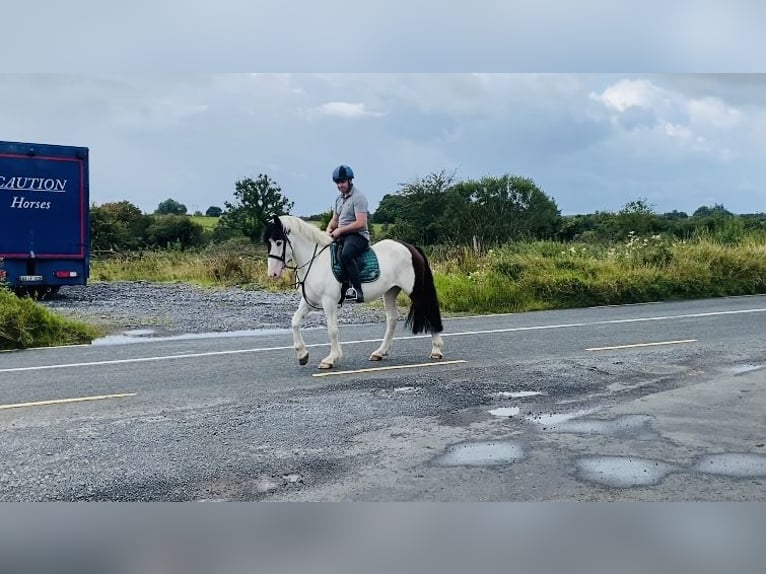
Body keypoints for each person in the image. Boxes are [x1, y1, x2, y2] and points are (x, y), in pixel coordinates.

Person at [325, 164, 370, 303]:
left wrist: (339, 230)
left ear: (350, 181)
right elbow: (335, 220)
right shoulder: (339, 199)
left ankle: (358, 291)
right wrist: (328, 230)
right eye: (337, 183)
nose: (340, 185)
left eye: (342, 182)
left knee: (345, 254)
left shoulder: (358, 197)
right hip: (343, 236)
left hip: (358, 236)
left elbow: (361, 223)